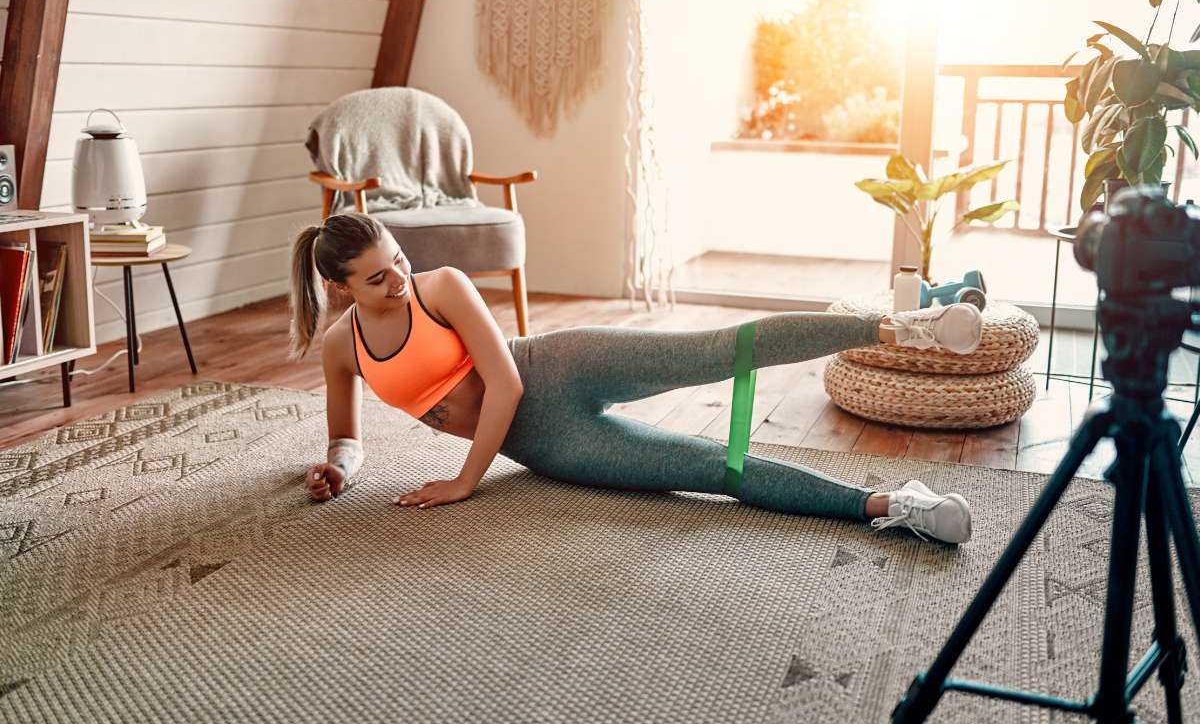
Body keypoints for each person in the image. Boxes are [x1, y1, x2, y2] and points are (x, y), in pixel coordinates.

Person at [288, 212, 983, 544]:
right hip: (547, 445)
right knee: (716, 469)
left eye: (400, 259)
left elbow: (504, 383)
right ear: (339, 287)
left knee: (714, 350)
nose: (400, 278)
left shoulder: (442, 287)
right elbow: (347, 438)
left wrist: (464, 481)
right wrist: (337, 470)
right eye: (379, 278)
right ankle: (890, 506)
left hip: (556, 365)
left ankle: (902, 326)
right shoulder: (341, 349)